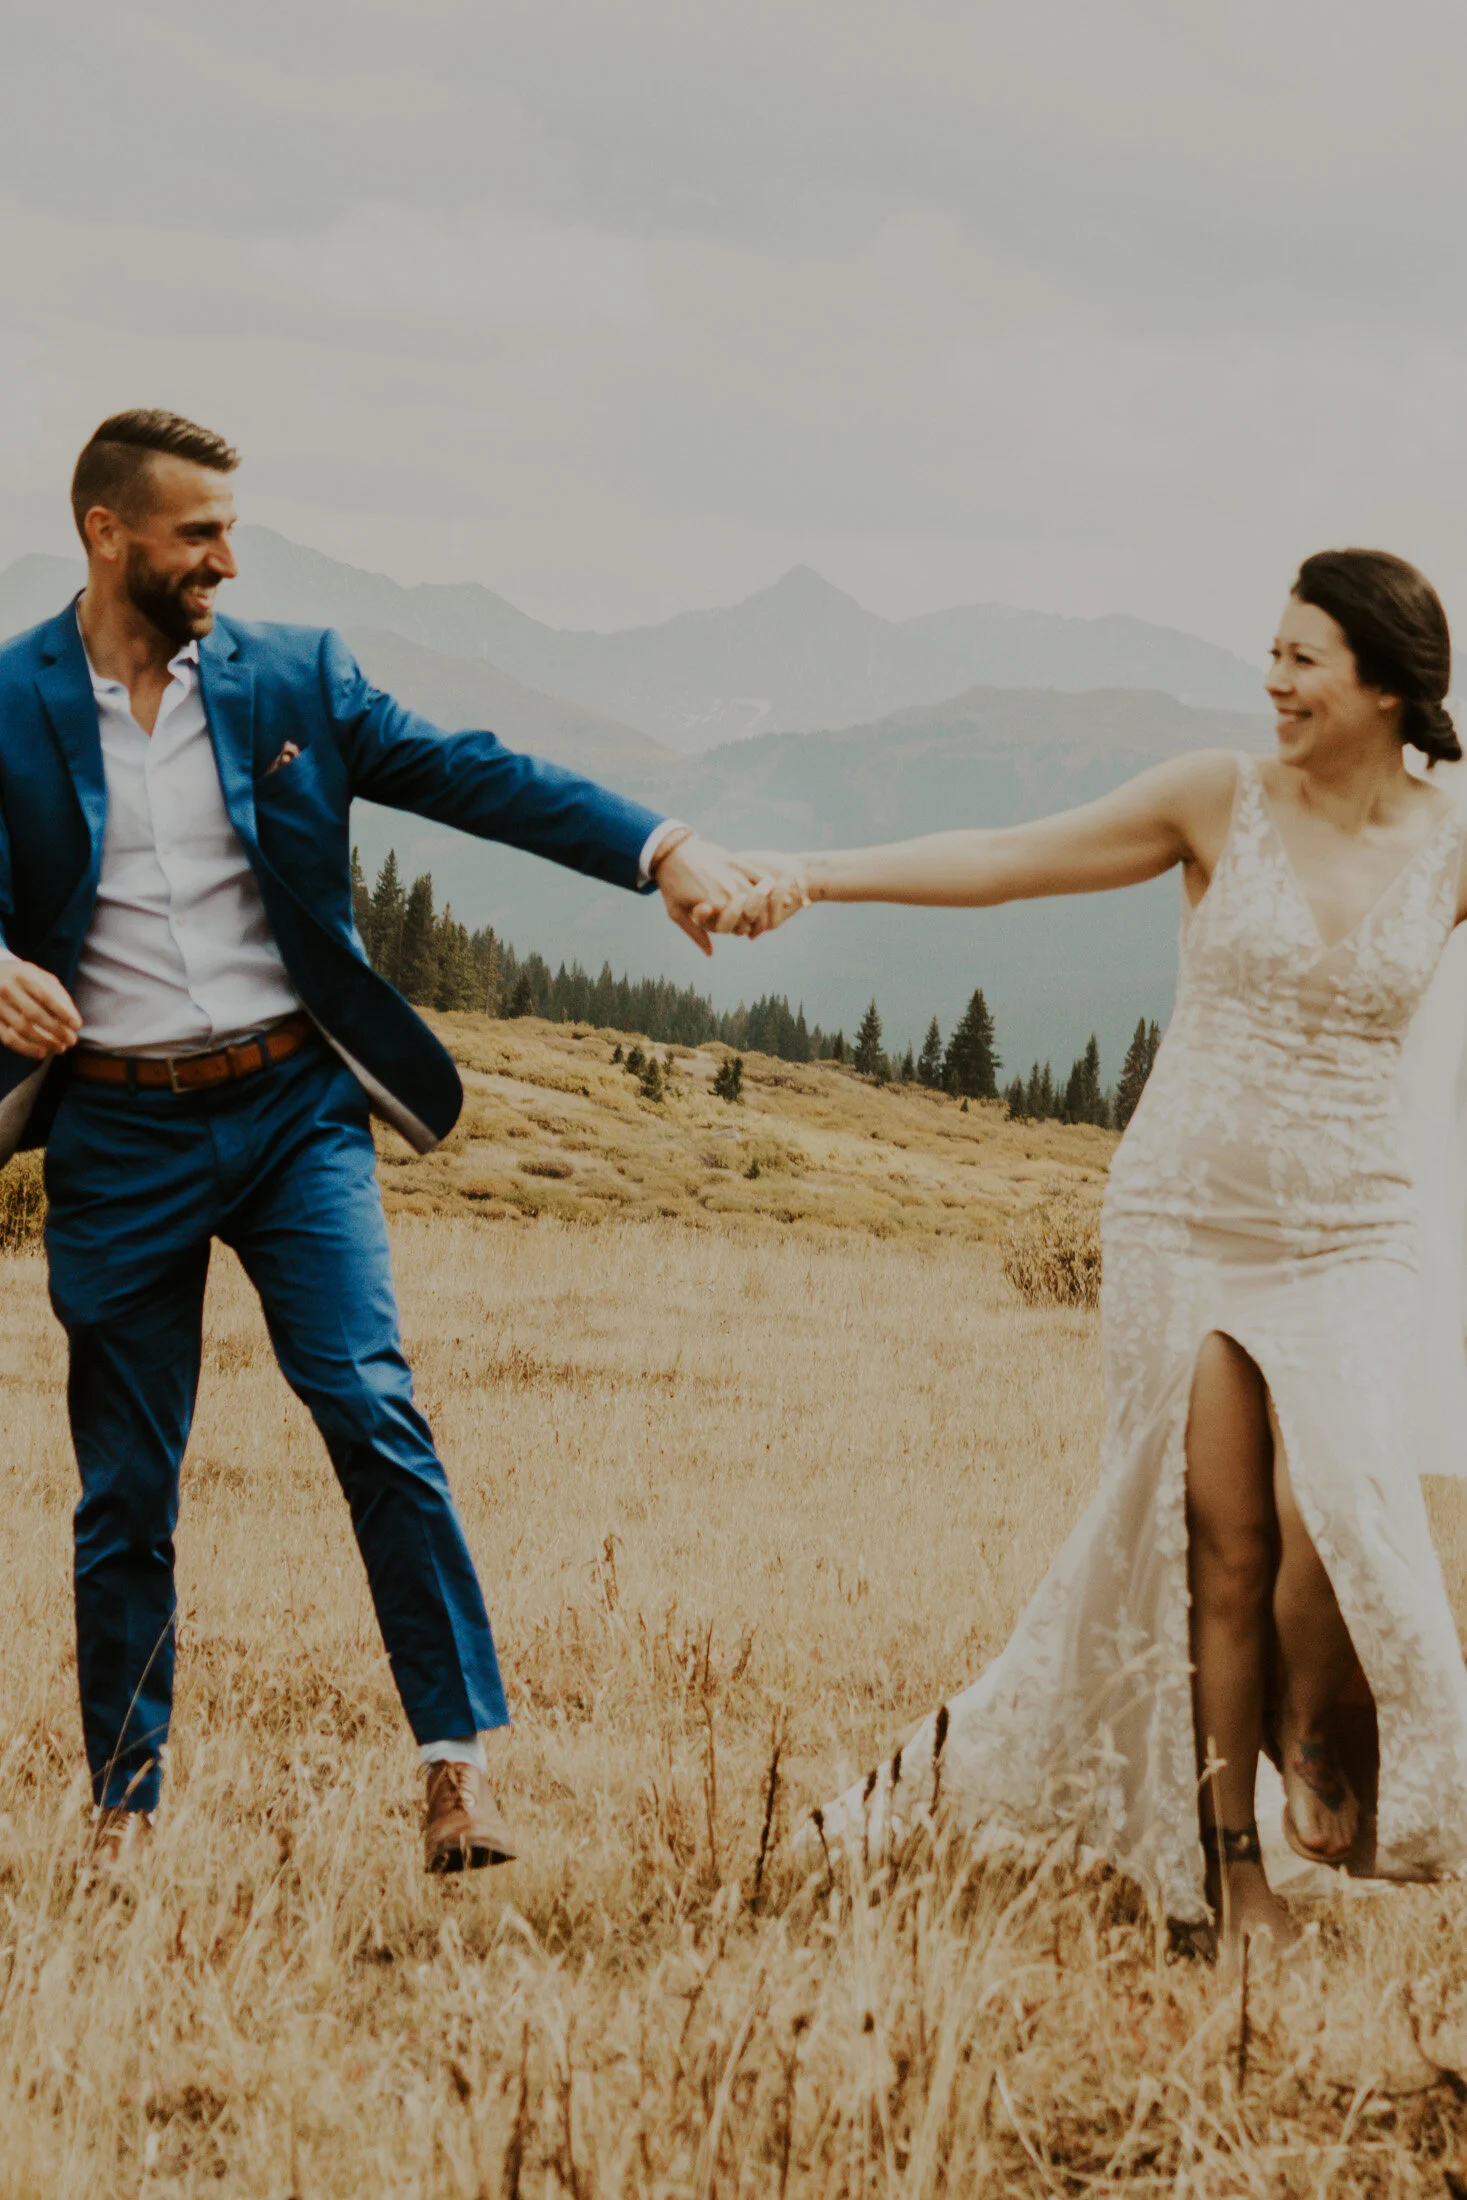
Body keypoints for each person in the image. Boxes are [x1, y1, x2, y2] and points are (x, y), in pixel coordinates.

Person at [0, 409, 759, 1874]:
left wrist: (660, 849)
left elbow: (479, 775)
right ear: (109, 534)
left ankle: (454, 1768)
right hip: (118, 1134)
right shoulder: (9, 700)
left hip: (294, 1114)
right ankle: (121, 1807)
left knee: (369, 1406)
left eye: (232, 528)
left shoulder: (298, 676)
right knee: (125, 1484)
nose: (229, 555)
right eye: (199, 533)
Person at [712, 549, 1467, 1961]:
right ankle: (1219, 1878)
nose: (1272, 680)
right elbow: (1006, 862)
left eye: (1301, 658)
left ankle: (1327, 1719)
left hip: (1354, 1231)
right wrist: (807, 875)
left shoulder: (1455, 838)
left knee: (1341, 1515)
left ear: (1381, 679)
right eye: (1273, 652)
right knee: (1218, 1551)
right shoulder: (1215, 798)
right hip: (1181, 1216)